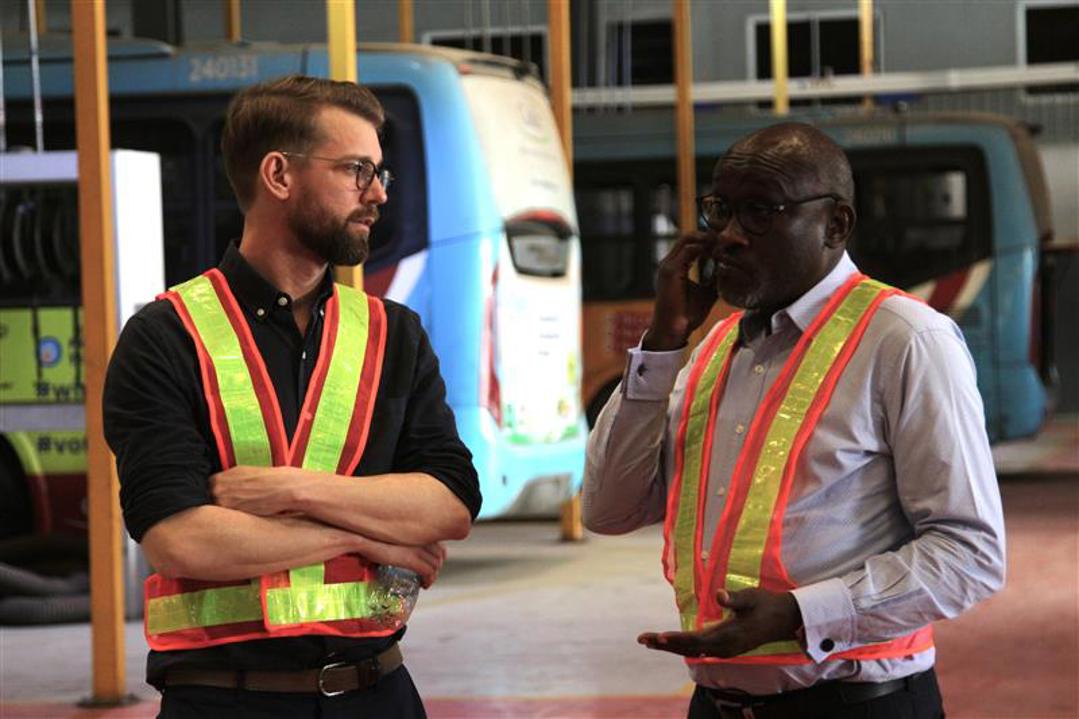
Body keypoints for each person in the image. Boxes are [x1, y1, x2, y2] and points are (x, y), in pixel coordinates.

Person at [582, 122, 1004, 719]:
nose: (727, 236)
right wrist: (664, 342)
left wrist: (804, 613)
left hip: (855, 705)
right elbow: (608, 510)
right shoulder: (711, 351)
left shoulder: (904, 340)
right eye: (719, 210)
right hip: (717, 705)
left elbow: (971, 553)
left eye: (759, 212)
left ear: (836, 225)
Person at [104, 75, 482, 718]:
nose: (378, 194)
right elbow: (180, 540)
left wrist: (291, 492)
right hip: (224, 702)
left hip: (379, 694)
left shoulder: (395, 335)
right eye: (357, 170)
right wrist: (376, 541)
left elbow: (449, 507)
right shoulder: (165, 337)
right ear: (279, 174)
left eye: (379, 172)